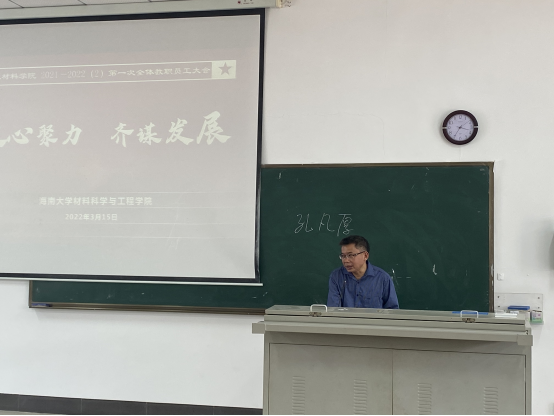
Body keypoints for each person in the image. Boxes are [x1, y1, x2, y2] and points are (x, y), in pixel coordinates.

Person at [327, 235, 399, 309]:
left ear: (365, 255)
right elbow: (333, 310)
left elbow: (392, 310)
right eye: (343, 256)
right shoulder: (337, 276)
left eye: (350, 255)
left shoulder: (383, 278)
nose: (346, 260)